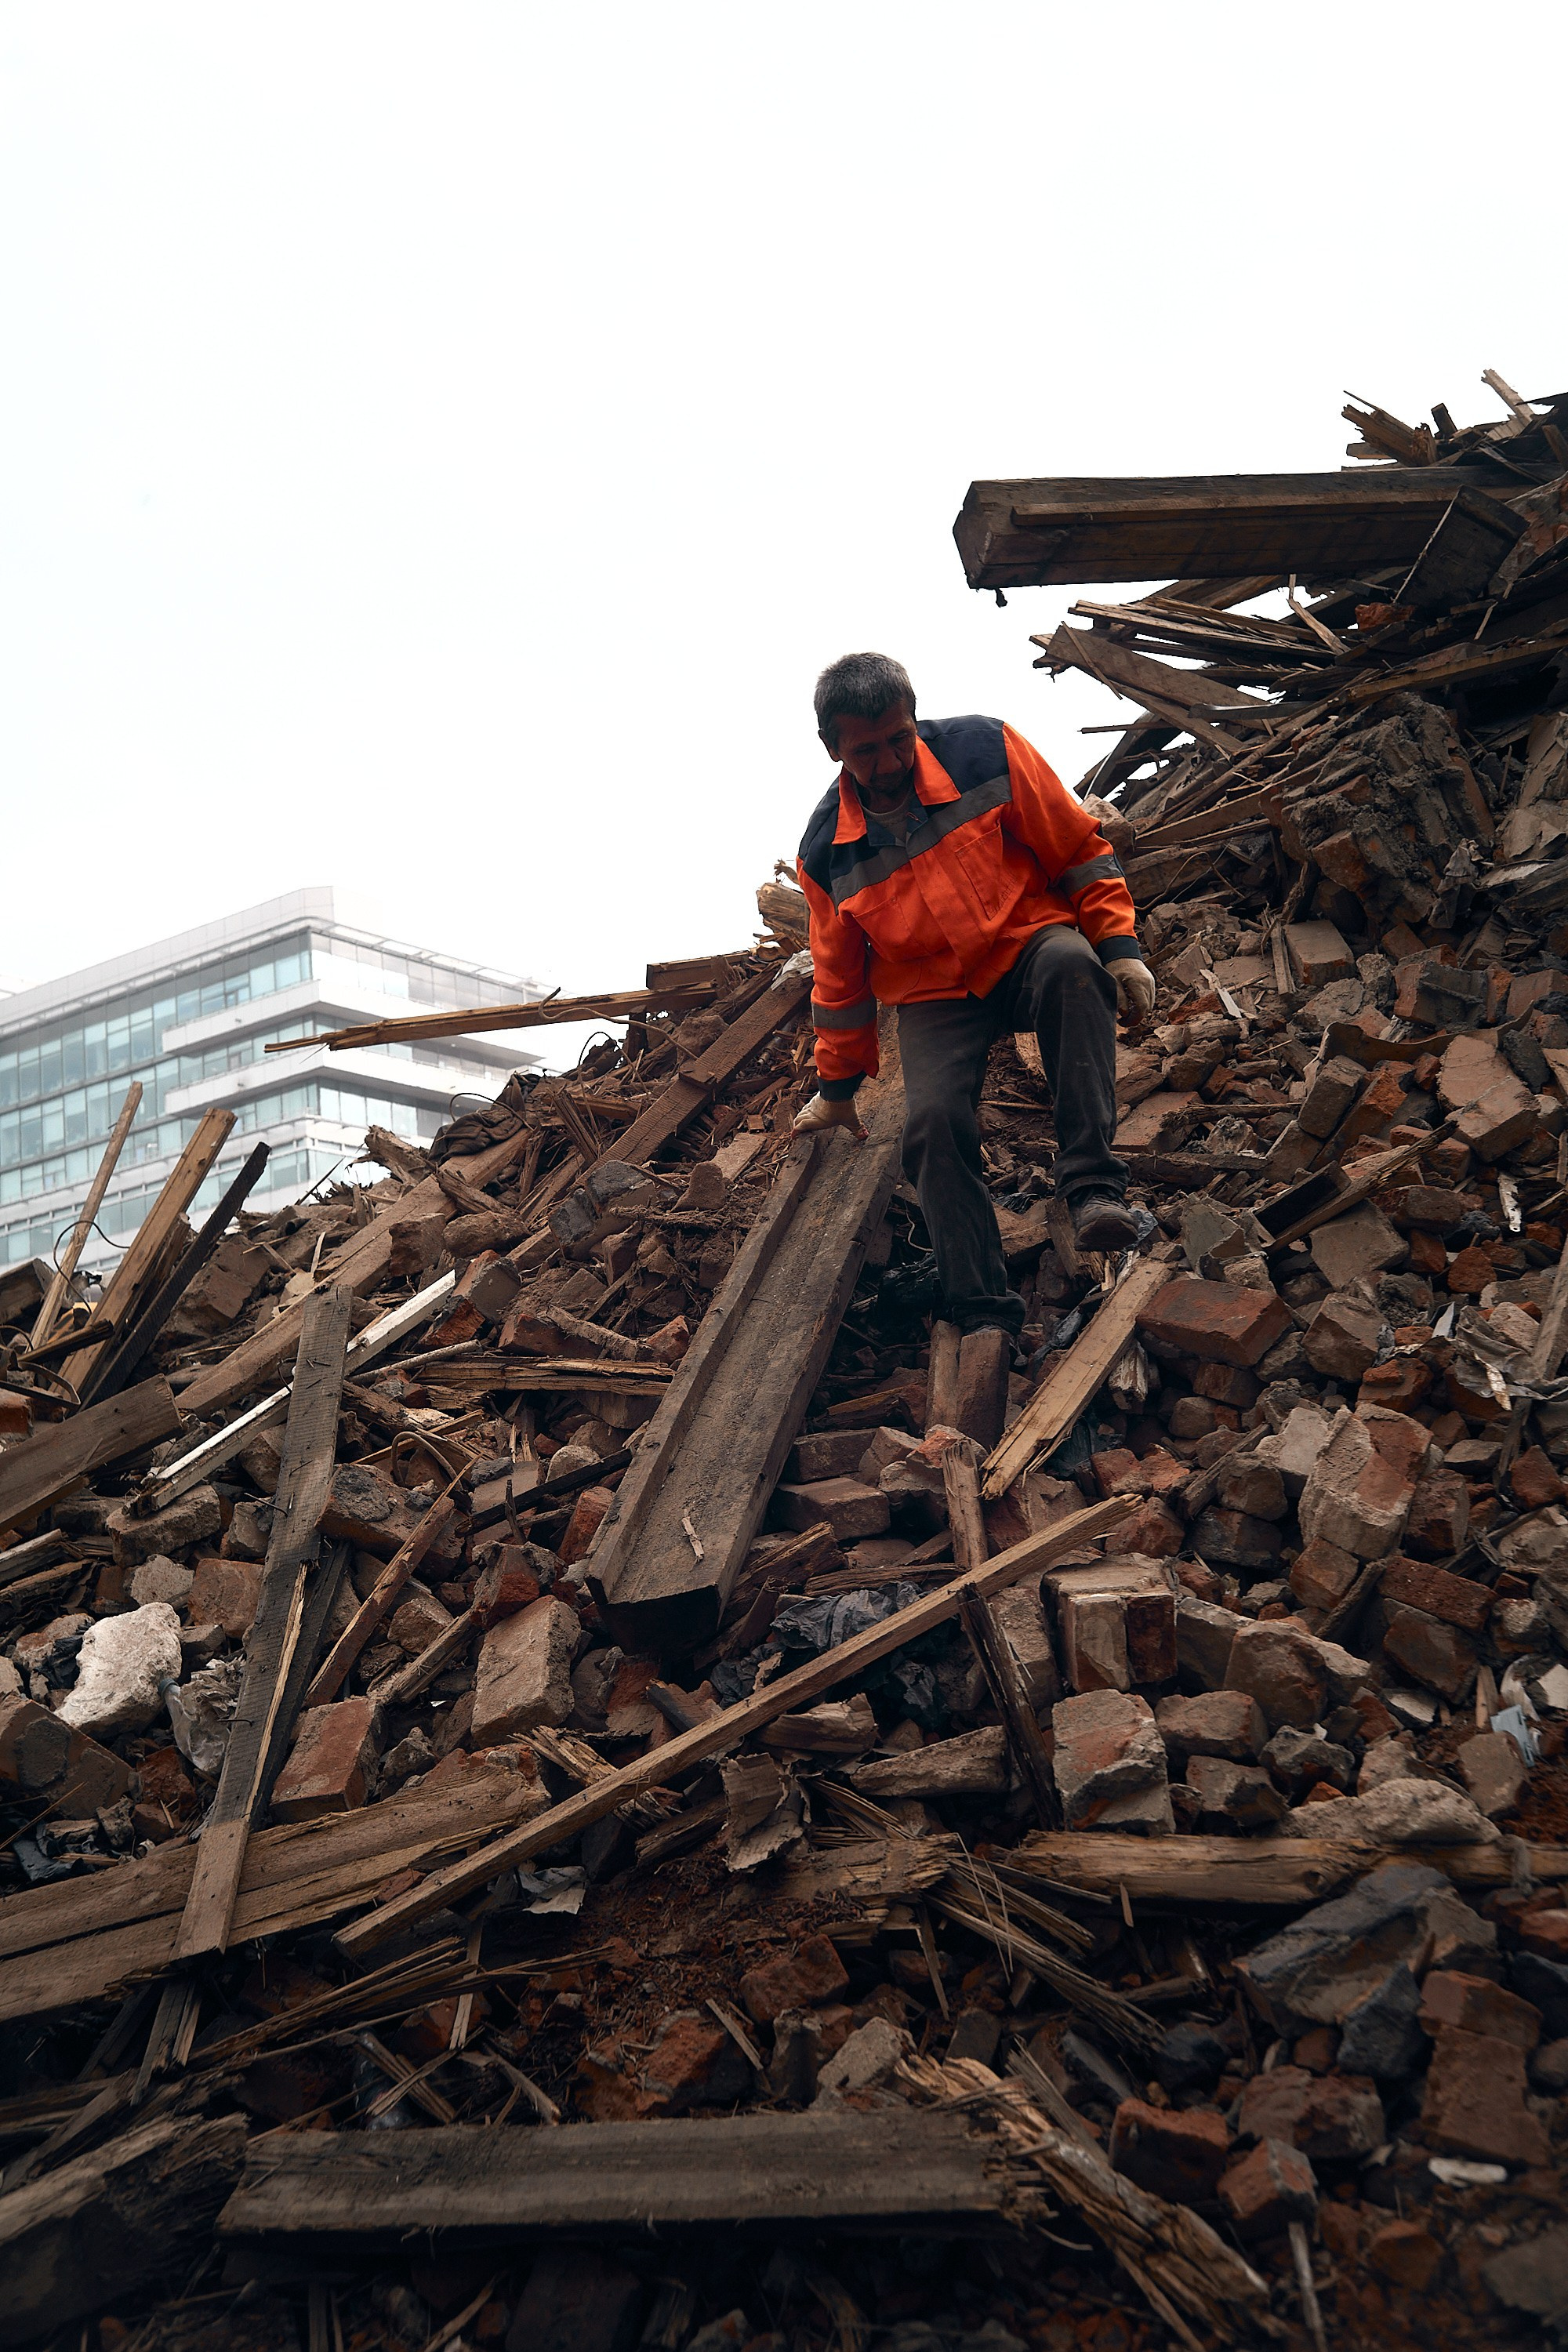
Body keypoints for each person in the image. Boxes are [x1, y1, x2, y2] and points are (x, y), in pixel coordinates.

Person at [792, 651, 1156, 1339]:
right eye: (866, 751)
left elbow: (1077, 848)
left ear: (914, 718)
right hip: (934, 993)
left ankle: (1094, 1189)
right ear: (831, 748)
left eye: (899, 738)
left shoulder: (985, 749)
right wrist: (836, 1090)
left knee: (1075, 966)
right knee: (929, 1124)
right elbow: (839, 979)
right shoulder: (826, 853)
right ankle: (981, 1307)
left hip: (1026, 940)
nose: (890, 761)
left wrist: (1122, 950)